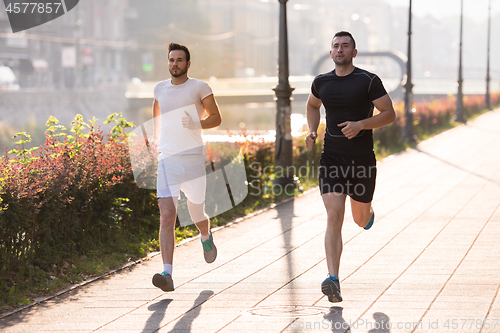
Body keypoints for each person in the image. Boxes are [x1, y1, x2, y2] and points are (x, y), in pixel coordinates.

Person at [305, 31, 396, 302]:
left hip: (361, 162)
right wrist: (312, 130)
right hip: (331, 159)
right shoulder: (321, 82)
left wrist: (361, 125)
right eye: (336, 46)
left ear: (354, 52)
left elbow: (389, 113)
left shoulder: (368, 81)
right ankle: (333, 279)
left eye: (345, 46)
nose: (340, 49)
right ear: (330, 52)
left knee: (359, 219)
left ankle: (367, 215)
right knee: (334, 216)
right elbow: (312, 105)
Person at [150, 43, 222, 292]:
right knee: (167, 215)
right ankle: (167, 273)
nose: (174, 64)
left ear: (188, 64)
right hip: (167, 159)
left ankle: (205, 236)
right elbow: (157, 116)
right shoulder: (159, 88)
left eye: (179, 60)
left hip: (192, 159)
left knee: (196, 214)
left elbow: (216, 117)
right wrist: (154, 143)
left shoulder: (199, 87)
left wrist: (196, 123)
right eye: (171, 60)